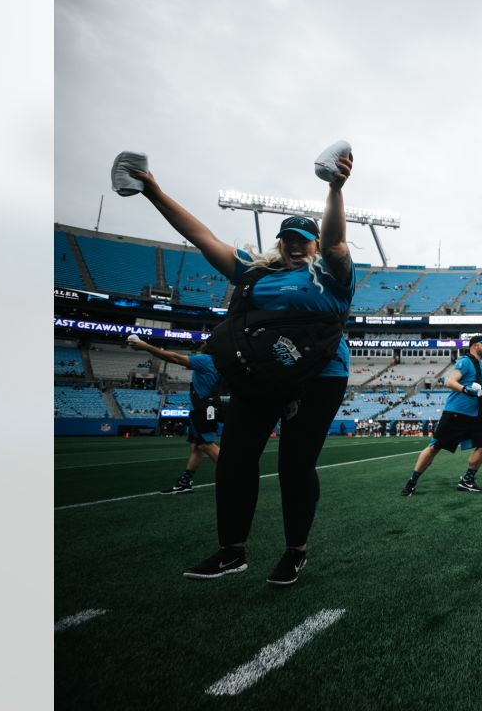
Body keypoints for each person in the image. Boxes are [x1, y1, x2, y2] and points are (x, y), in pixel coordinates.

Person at [127, 151, 356, 587]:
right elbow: (202, 237)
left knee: (295, 463)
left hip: (318, 376)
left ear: (313, 244)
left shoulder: (330, 273)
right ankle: (232, 551)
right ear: (279, 241)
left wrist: (335, 189)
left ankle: (295, 552)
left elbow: (336, 243)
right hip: (261, 373)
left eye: (302, 239)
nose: (294, 244)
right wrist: (154, 193)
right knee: (234, 459)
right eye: (287, 237)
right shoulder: (255, 272)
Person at [125, 334, 222, 495]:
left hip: (202, 409)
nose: (203, 343)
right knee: (196, 447)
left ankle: (235, 475)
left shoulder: (205, 359)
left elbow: (174, 358)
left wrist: (146, 346)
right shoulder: (219, 362)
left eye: (206, 342)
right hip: (208, 407)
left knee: (205, 444)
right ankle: (185, 482)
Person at [401, 336, 482, 496]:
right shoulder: (465, 361)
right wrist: (465, 390)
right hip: (456, 413)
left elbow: (478, 389)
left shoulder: (481, 366)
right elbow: (450, 382)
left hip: (473, 416)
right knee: (434, 448)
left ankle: (467, 481)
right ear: (475, 345)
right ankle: (412, 482)